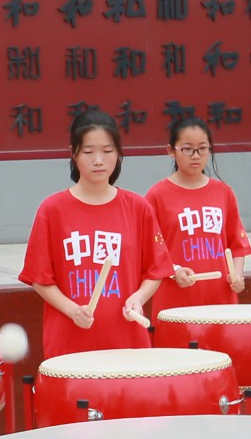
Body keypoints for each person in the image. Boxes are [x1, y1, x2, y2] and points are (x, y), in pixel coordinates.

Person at [21, 109, 172, 361]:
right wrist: (72, 310)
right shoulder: (52, 210)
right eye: (89, 152)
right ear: (73, 153)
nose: (98, 160)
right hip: (70, 344)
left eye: (107, 151)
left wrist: (138, 297)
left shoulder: (138, 208)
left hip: (127, 343)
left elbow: (155, 271)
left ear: (119, 153)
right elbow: (40, 278)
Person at [146, 114, 249, 306]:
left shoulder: (223, 192)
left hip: (220, 299)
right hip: (175, 300)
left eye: (202, 148)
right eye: (187, 149)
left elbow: (237, 245)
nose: (195, 155)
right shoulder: (157, 195)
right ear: (171, 151)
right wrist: (174, 270)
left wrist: (237, 275)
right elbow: (148, 250)